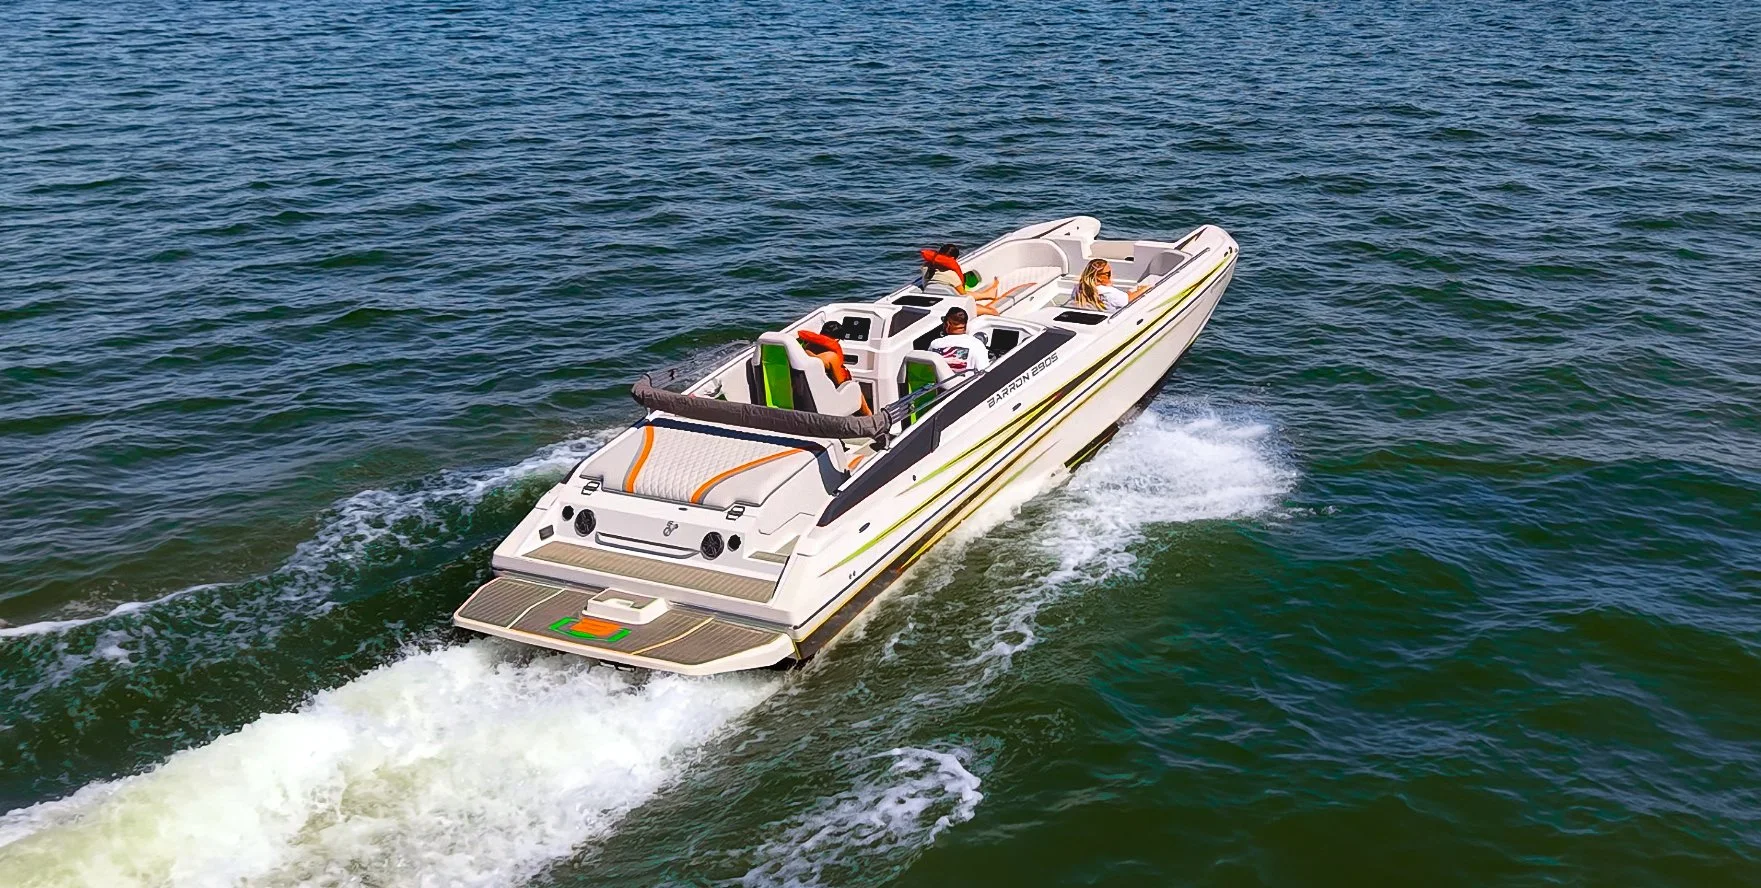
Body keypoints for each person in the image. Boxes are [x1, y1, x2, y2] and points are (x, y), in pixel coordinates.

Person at [917, 244, 1034, 317]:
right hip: (956, 308)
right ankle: (988, 296)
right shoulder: (952, 275)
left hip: (933, 302)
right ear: (952, 259)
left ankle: (988, 294)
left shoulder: (925, 268)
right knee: (992, 312)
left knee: (955, 291)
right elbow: (963, 296)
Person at [796, 321, 871, 415]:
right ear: (837, 340)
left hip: (806, 396)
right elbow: (842, 383)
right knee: (855, 389)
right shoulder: (831, 357)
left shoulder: (806, 349)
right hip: (826, 398)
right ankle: (869, 416)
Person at [1069, 259, 1150, 312]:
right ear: (1098, 277)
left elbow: (1121, 297)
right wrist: (1143, 289)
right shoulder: (1109, 292)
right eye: (1108, 273)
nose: (1111, 275)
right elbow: (1129, 299)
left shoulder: (1078, 288)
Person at [926, 307, 990, 374]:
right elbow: (984, 373)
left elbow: (928, 370)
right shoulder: (977, 345)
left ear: (948, 324)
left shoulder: (935, 344)